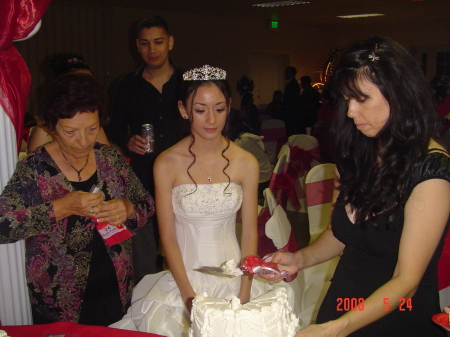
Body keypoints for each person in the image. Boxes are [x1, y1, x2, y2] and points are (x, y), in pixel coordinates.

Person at [260, 36, 450, 336]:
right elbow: (341, 233)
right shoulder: (360, 151)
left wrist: (339, 328)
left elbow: (406, 281)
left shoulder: (431, 170)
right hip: (343, 305)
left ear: (399, 95)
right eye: (346, 100)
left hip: (397, 316)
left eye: (361, 99)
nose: (350, 112)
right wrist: (300, 259)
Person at [109, 65, 296, 336]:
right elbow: (168, 238)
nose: (211, 120)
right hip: (183, 279)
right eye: (200, 110)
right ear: (184, 110)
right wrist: (190, 298)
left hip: (235, 278)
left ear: (229, 107)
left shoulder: (246, 162)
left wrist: (244, 291)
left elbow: (248, 236)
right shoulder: (166, 163)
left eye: (219, 109)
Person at [0, 73, 155, 326]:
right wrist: (62, 207)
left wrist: (127, 209)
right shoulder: (35, 168)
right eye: (71, 131)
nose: (84, 141)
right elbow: (2, 225)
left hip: (117, 291)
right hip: (58, 302)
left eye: (92, 129)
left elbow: (146, 204)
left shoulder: (110, 159)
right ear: (51, 127)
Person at [107, 16, 188, 280]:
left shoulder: (187, 83)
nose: (152, 50)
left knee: (184, 256)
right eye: (145, 44)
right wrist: (126, 138)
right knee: (143, 262)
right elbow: (113, 128)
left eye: (158, 42)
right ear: (137, 46)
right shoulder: (126, 86)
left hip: (184, 179)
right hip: (141, 182)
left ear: (170, 43)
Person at [27, 52, 110, 153]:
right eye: (70, 132)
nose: (83, 142)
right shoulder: (45, 131)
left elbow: (109, 162)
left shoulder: (95, 126)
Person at [228, 108, 271, 200]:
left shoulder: (241, 141)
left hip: (261, 178)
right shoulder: (241, 137)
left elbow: (227, 161)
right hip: (262, 173)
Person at [283, 66, 301, 136]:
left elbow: (292, 99)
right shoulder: (292, 83)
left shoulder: (293, 84)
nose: (286, 74)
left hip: (291, 112)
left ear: (292, 74)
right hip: (291, 111)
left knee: (291, 130)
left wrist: (288, 110)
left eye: (288, 73)